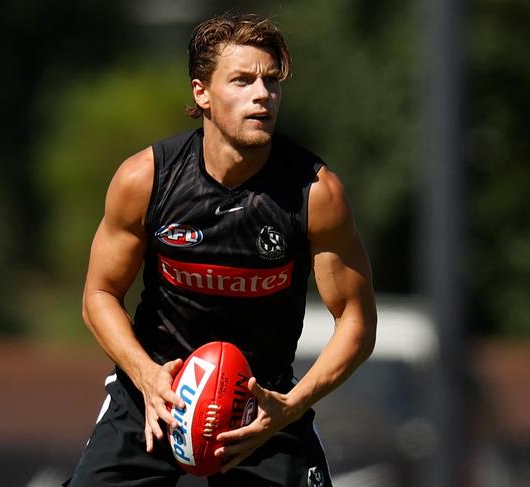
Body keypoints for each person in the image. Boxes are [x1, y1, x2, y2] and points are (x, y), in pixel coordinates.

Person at [65, 11, 377, 487]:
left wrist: (292, 406)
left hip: (261, 404)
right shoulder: (146, 180)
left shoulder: (315, 193)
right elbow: (99, 296)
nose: (262, 95)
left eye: (272, 81)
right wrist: (146, 376)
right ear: (201, 93)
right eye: (242, 80)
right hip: (156, 390)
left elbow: (356, 320)